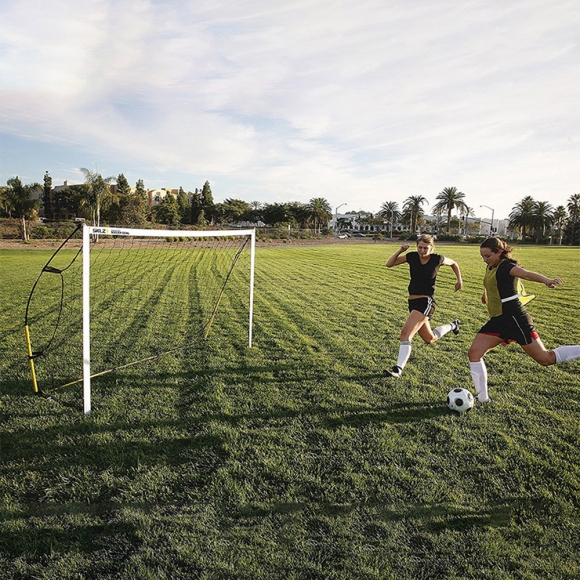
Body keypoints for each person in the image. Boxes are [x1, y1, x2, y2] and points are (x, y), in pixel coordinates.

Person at [468, 237, 580, 402]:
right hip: (498, 320)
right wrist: (486, 295)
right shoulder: (491, 266)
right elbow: (491, 283)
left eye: (487, 256)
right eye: (482, 256)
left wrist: (547, 281)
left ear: (499, 252)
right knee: (474, 352)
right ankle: (483, 398)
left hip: (515, 319)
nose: (485, 259)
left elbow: (527, 274)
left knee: (545, 359)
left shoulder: (508, 267)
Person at [384, 234, 463, 378]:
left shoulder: (437, 259)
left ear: (432, 248)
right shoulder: (412, 257)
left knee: (405, 335)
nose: (422, 250)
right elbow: (389, 264)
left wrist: (459, 281)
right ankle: (453, 325)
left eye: (426, 248)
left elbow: (454, 264)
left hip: (426, 302)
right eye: (420, 247)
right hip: (412, 302)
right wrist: (400, 250)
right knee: (430, 338)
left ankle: (398, 369)